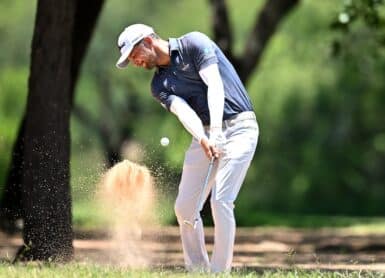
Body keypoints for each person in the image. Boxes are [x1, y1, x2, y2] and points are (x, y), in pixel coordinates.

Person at [115, 23, 259, 273]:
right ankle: (199, 270)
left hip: (239, 127)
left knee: (221, 200)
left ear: (148, 41)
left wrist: (215, 132)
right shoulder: (158, 86)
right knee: (184, 208)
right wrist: (204, 138)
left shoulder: (194, 43)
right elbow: (184, 112)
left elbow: (215, 85)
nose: (134, 62)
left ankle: (219, 272)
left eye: (133, 54)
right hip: (203, 132)